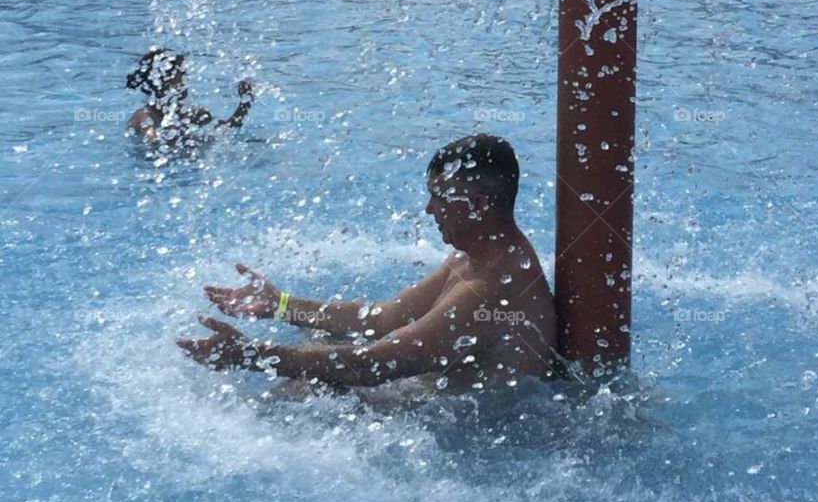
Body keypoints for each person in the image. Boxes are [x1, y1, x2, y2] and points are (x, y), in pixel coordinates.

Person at [178, 134, 559, 394]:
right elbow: (383, 318)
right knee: (321, 342)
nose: (429, 210)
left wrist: (254, 355)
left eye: (439, 198)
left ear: (477, 204)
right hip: (427, 392)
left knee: (307, 390)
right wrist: (279, 305)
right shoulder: (471, 257)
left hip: (468, 431)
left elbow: (379, 363)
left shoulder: (493, 288)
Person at [126, 48, 255, 149]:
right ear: (161, 82)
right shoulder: (143, 116)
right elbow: (152, 142)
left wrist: (244, 103)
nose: (185, 82)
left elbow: (227, 130)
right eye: (181, 76)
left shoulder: (191, 114)